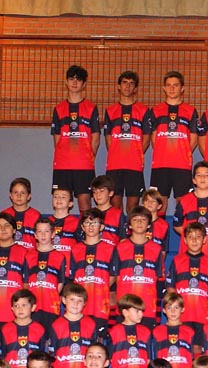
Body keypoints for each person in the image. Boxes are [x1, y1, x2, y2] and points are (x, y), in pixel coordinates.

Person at [50, 65, 100, 213]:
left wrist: (88, 157)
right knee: (61, 205)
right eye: (71, 79)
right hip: (62, 165)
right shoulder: (58, 109)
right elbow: (57, 139)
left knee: (85, 205)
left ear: (84, 84)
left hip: (84, 166)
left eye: (78, 80)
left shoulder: (91, 108)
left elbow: (95, 137)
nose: (74, 83)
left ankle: (87, 236)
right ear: (66, 82)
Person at [103, 70, 151, 211]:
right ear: (119, 86)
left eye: (131, 84)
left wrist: (135, 154)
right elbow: (108, 139)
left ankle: (131, 233)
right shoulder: (110, 111)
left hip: (134, 165)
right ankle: (118, 233)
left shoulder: (143, 110)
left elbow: (146, 138)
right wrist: (117, 153)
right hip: (114, 165)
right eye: (124, 83)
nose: (127, 86)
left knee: (132, 207)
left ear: (135, 88)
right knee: (115, 205)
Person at [148, 70, 199, 200]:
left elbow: (193, 139)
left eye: (175, 85)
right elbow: (154, 138)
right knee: (159, 205)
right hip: (160, 165)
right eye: (169, 85)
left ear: (182, 88)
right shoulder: (155, 111)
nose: (172, 88)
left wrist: (184, 152)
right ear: (164, 88)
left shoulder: (191, 111)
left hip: (182, 165)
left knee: (184, 205)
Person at [116, 207, 167, 325]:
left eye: (143, 219)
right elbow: (117, 278)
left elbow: (158, 278)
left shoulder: (156, 249)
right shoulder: (120, 248)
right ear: (129, 225)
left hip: (147, 308)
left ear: (149, 225)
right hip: (126, 308)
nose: (139, 222)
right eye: (135, 219)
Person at [174, 162, 208, 269]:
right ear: (194, 180)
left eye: (207, 175)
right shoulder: (184, 201)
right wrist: (193, 235)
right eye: (198, 175)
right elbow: (177, 225)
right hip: (187, 258)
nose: (202, 178)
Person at [69, 209, 120, 326]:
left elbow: (113, 275)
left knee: (99, 338)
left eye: (95, 223)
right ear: (82, 227)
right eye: (87, 223)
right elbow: (73, 277)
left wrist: (101, 288)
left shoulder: (110, 249)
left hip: (100, 301)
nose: (91, 226)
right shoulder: (76, 249)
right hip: (80, 301)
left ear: (101, 227)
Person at [168, 222, 208, 326]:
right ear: (185, 240)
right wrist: (177, 306)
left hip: (202, 315)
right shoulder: (177, 261)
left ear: (205, 239)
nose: (194, 240)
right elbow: (170, 287)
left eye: (198, 236)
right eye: (190, 237)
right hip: (181, 316)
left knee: (199, 343)